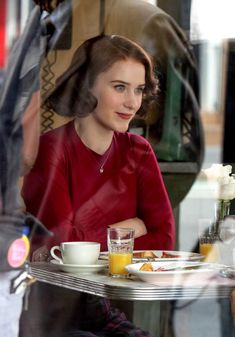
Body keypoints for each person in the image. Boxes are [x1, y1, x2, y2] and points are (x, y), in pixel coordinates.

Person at [22, 34, 175, 259]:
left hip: (123, 290)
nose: (132, 102)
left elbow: (165, 239)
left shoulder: (138, 151)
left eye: (139, 89)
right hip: (60, 292)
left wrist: (91, 239)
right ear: (86, 85)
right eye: (120, 87)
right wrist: (130, 230)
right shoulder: (49, 149)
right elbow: (67, 245)